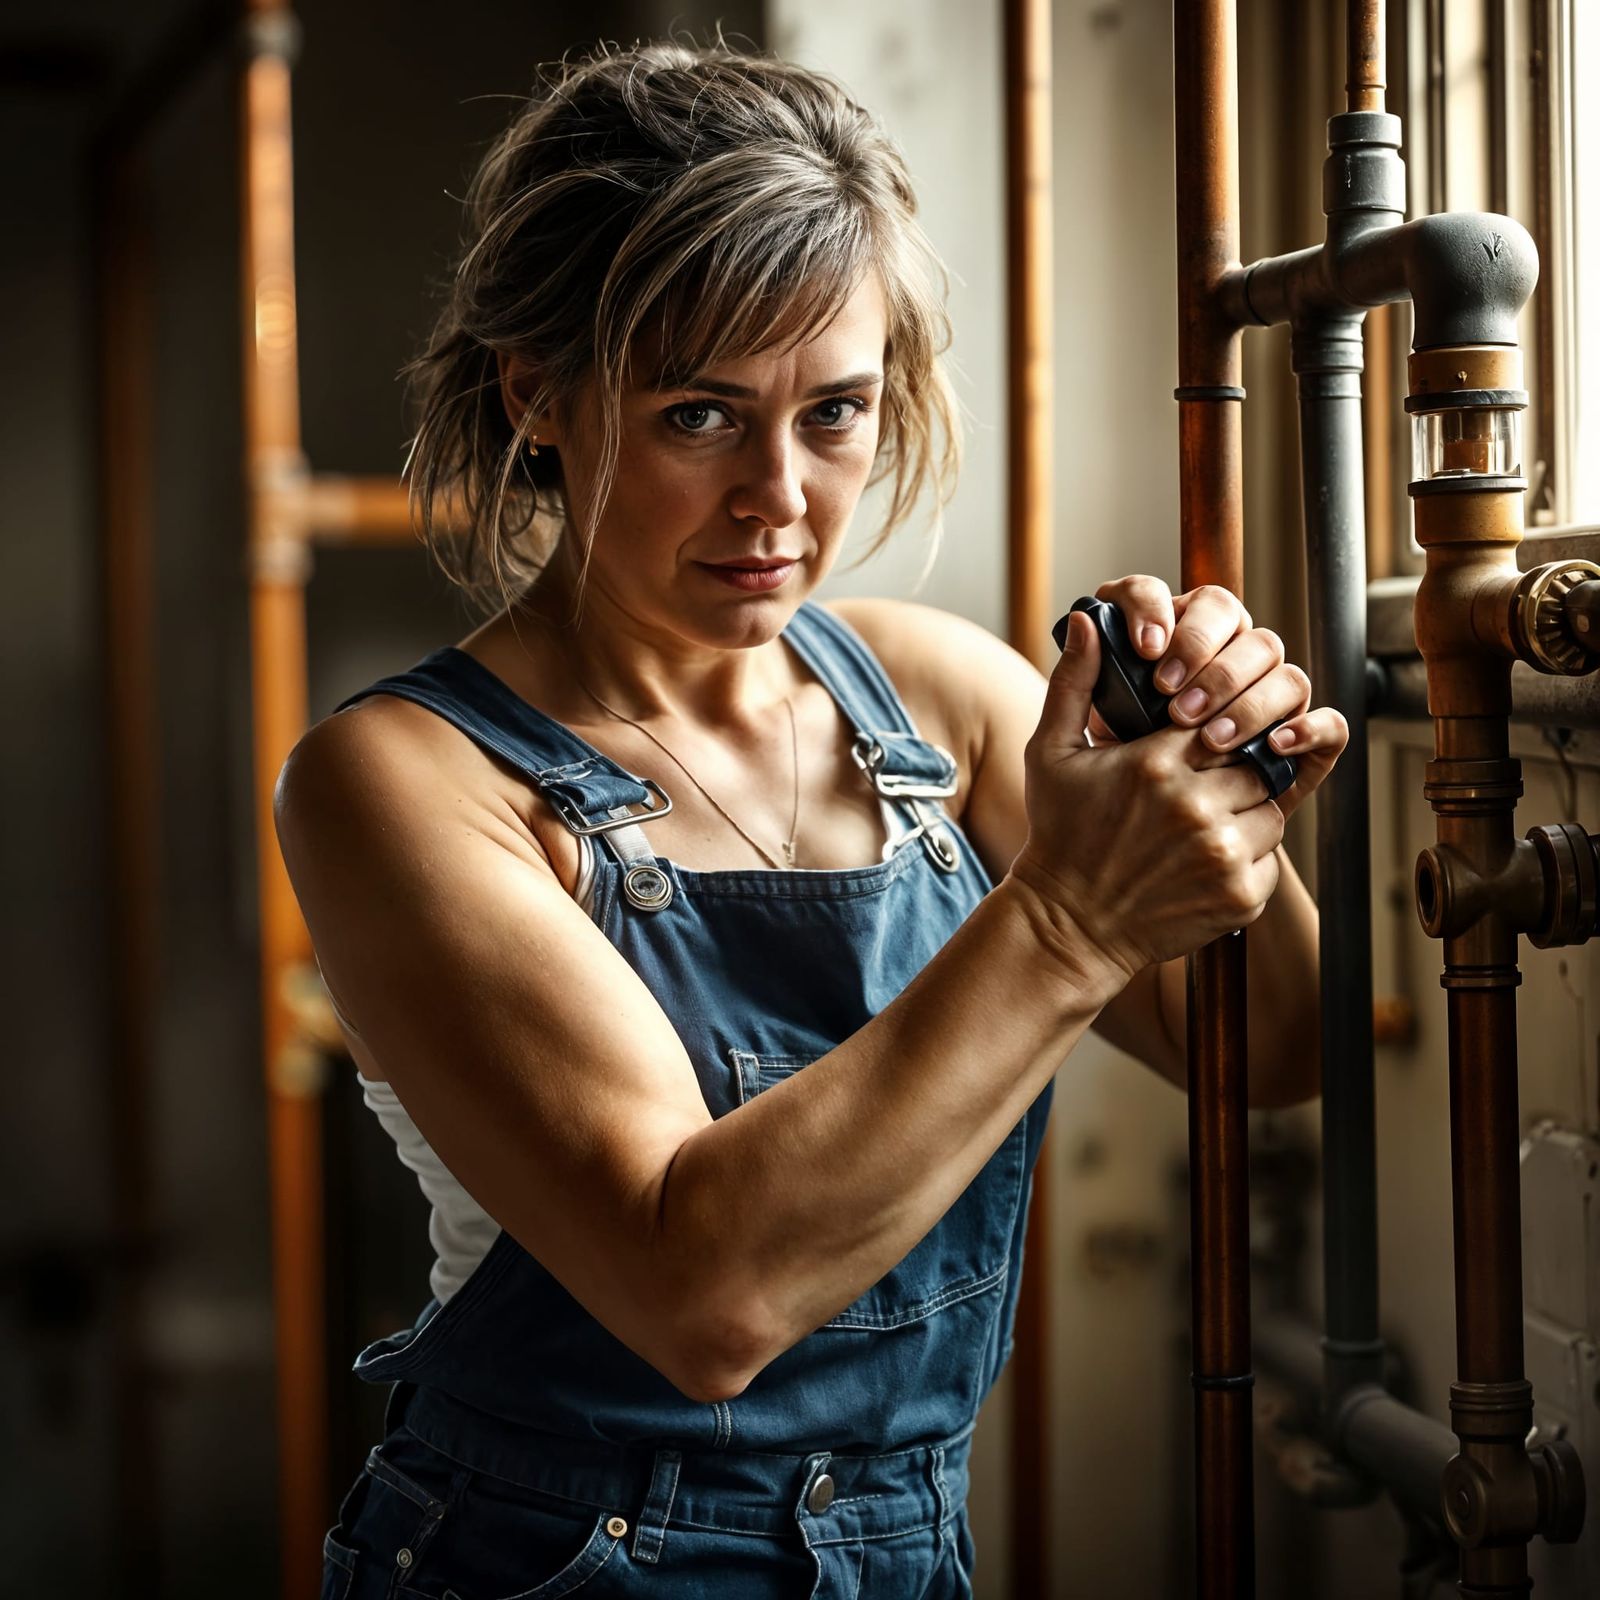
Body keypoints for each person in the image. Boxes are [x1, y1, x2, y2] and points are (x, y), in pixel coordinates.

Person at [275, 39, 1346, 1600]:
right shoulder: (407, 782)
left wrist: (1204, 784)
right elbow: (702, 1292)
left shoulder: (939, 702)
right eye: (701, 415)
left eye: (835, 412)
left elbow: (1273, 1055)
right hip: (552, 1563)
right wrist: (1072, 918)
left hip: (904, 1557)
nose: (779, 494)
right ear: (540, 395)